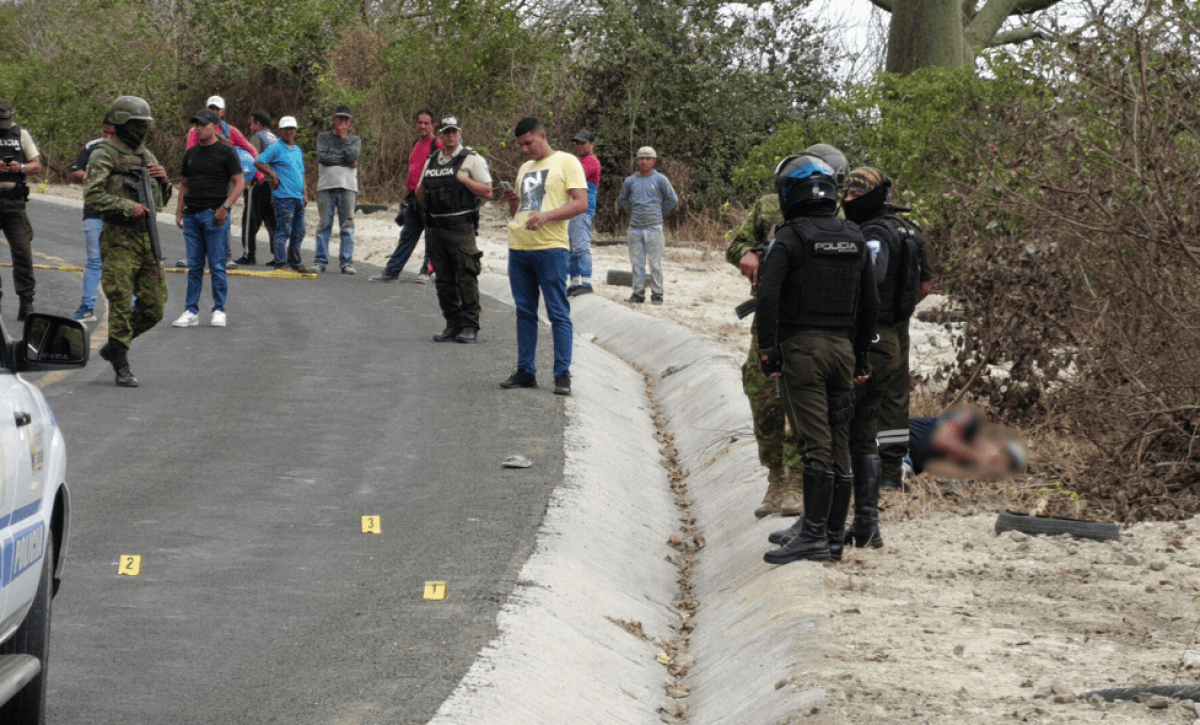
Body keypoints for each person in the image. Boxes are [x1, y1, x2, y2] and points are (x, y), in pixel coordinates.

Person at [755, 153, 878, 565]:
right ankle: (830, 535)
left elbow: (768, 298)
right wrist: (861, 356)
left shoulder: (790, 237)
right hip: (843, 350)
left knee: (815, 446)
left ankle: (812, 534)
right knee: (839, 443)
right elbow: (869, 303)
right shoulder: (855, 236)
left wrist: (768, 350)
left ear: (789, 193)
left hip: (803, 352)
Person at [726, 144, 849, 519]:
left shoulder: (837, 213)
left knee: (803, 399)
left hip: (810, 320)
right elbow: (735, 244)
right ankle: (775, 477)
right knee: (762, 395)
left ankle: (797, 480)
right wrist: (747, 255)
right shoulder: (768, 206)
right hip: (768, 317)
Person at [767, 407, 1028, 548]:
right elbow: (944, 438)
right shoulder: (970, 420)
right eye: (998, 460)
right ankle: (809, 525)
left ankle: (816, 526)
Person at [838, 167, 917, 550]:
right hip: (893, 331)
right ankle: (875, 504)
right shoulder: (902, 228)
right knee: (881, 410)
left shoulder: (875, 235)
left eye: (853, 196)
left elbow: (869, 278)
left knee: (850, 420)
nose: (847, 202)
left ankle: (841, 517)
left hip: (875, 335)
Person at [83, 95, 172, 387]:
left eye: (145, 124)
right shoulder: (104, 154)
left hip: (147, 238)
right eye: (138, 124)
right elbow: (92, 194)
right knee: (120, 300)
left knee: (155, 305)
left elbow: (160, 204)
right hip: (119, 238)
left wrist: (163, 182)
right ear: (123, 124)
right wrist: (125, 206)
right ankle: (121, 363)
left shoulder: (147, 157)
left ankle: (115, 345)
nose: (143, 130)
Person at [500, 117, 587, 395]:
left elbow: (581, 203)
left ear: (543, 136)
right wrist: (514, 203)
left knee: (558, 313)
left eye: (529, 143)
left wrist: (547, 217)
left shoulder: (567, 162)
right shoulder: (525, 168)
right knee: (525, 312)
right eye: (521, 145)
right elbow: (526, 210)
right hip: (520, 247)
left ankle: (562, 374)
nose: (525, 149)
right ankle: (526, 370)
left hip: (550, 248)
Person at [416, 116, 492, 344]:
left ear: (459, 133)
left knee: (466, 277)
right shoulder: (432, 160)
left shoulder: (471, 159)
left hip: (461, 227)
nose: (450, 136)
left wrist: (461, 179)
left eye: (453, 131)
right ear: (440, 134)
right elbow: (420, 193)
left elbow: (487, 191)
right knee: (443, 280)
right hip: (437, 227)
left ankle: (470, 326)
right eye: (446, 132)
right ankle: (453, 324)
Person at [171, 108, 245, 329]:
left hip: (214, 215)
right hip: (192, 215)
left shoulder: (226, 152)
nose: (199, 128)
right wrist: (179, 210)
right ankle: (191, 311)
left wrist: (225, 207)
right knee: (194, 266)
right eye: (197, 124)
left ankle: (219, 309)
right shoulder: (191, 154)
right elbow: (185, 184)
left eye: (204, 124)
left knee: (217, 265)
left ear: (215, 127)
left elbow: (239, 182)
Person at [184, 96, 260, 271]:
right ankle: (193, 256)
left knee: (224, 214)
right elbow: (190, 154)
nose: (214, 112)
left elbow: (251, 150)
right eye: (211, 108)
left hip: (223, 180)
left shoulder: (231, 131)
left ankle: (226, 256)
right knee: (195, 215)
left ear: (223, 112)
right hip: (200, 179)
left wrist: (258, 173)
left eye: (217, 109)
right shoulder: (194, 131)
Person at [370, 109, 441, 283]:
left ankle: (425, 272)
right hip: (413, 199)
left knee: (431, 238)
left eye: (426, 123)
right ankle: (391, 272)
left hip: (430, 198)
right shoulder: (416, 144)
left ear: (433, 125)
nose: (423, 126)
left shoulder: (437, 144)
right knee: (406, 236)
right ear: (415, 124)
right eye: (420, 122)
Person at [68, 114, 116, 323]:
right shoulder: (92, 147)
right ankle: (87, 307)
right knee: (94, 260)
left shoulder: (130, 149)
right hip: (94, 212)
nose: (108, 137)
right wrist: (91, 176)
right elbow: (74, 173)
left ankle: (130, 306)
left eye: (113, 133)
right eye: (105, 132)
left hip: (119, 214)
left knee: (122, 261)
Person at [0, 98, 43, 321]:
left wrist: (21, 167)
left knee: (23, 253)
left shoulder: (20, 135)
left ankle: (26, 301)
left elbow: (36, 165)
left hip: (14, 202)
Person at [618, 146, 677, 305]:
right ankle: (638, 293)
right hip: (635, 228)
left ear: (654, 161)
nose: (644, 161)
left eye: (648, 158)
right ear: (637, 161)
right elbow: (623, 198)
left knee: (655, 263)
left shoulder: (660, 179)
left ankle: (657, 294)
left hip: (654, 228)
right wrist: (634, 210)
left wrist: (658, 212)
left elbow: (672, 199)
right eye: (641, 158)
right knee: (637, 262)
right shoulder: (630, 181)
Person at [254, 115, 309, 272]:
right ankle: (280, 262)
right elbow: (258, 161)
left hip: (297, 195)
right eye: (285, 129)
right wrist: (272, 175)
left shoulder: (297, 150)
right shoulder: (276, 147)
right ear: (280, 131)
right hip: (283, 196)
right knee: (283, 230)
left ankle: (294, 261)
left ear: (295, 131)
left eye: (291, 129)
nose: (289, 132)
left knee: (299, 231)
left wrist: (305, 193)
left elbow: (301, 172)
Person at [313, 105, 361, 274]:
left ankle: (346, 262)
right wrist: (346, 161)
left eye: (346, 119)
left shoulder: (354, 139)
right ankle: (320, 261)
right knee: (324, 225)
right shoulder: (323, 137)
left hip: (348, 187)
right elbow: (323, 157)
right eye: (340, 118)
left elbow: (353, 156)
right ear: (334, 119)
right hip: (326, 186)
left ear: (350, 122)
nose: (342, 122)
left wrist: (344, 139)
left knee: (347, 225)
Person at [235, 111, 278, 266]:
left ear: (258, 124)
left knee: (250, 219)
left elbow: (253, 158)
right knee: (272, 220)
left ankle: (249, 254)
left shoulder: (257, 137)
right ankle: (278, 255)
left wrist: (249, 179)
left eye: (252, 122)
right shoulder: (275, 138)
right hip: (274, 184)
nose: (250, 126)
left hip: (259, 183)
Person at [567, 130, 600, 297]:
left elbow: (575, 179)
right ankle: (574, 283)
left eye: (583, 143)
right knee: (572, 248)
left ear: (591, 144)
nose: (579, 146)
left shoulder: (590, 161)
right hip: (574, 206)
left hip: (583, 207)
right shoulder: (580, 161)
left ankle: (586, 283)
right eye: (577, 143)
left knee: (580, 246)